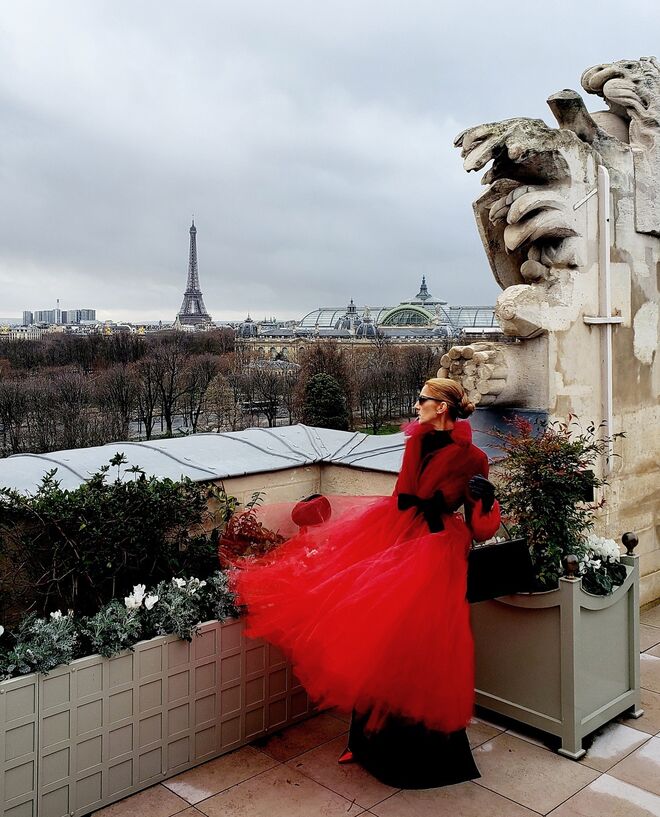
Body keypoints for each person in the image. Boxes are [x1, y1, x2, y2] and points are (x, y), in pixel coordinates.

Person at [229, 377, 500, 789]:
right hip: (396, 541)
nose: (417, 405)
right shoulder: (415, 443)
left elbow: (481, 530)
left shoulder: (475, 458)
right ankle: (365, 740)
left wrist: (486, 499)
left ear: (442, 407)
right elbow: (402, 498)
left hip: (438, 555)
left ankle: (423, 753)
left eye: (423, 399)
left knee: (423, 649)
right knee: (378, 640)